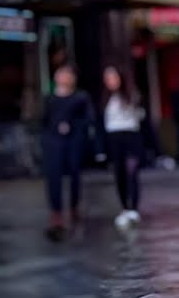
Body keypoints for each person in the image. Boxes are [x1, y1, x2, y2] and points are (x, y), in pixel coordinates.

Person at [41, 64, 93, 240]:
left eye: (66, 75)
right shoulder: (49, 99)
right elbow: (43, 120)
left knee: (74, 174)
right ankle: (56, 212)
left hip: (73, 140)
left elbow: (88, 119)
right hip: (53, 141)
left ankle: (74, 207)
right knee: (53, 176)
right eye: (60, 74)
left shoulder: (80, 97)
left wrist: (73, 127)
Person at [102, 66, 145, 230]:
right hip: (114, 137)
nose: (110, 82)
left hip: (130, 135)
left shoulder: (131, 95)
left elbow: (141, 117)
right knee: (118, 173)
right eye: (107, 79)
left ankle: (133, 207)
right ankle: (124, 208)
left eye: (113, 78)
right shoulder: (106, 99)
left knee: (131, 170)